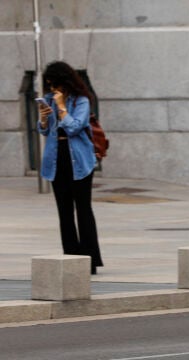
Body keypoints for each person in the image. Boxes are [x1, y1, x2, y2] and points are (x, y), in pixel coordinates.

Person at [37, 61, 104, 274]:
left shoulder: (81, 100)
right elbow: (45, 132)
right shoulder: (48, 100)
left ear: (65, 82)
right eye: (49, 85)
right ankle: (71, 258)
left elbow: (75, 127)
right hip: (56, 160)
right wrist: (44, 120)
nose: (52, 89)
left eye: (54, 84)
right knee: (64, 211)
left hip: (80, 160)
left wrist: (62, 109)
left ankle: (90, 260)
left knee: (83, 209)